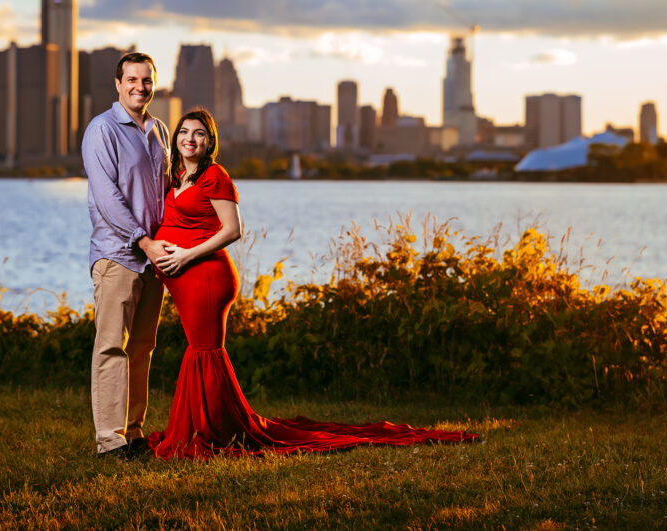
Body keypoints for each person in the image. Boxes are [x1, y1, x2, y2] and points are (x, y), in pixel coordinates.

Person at [147, 109, 480, 458]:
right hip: (184, 281)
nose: (190, 138)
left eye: (199, 133)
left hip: (206, 277)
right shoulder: (178, 176)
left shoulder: (214, 176)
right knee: (202, 351)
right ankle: (210, 426)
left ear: (210, 141)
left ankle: (207, 431)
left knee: (204, 351)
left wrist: (185, 256)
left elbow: (233, 230)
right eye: (184, 132)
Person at [81, 52, 172, 460]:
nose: (140, 87)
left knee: (142, 347)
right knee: (111, 348)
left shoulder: (160, 130)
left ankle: (133, 434)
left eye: (147, 80)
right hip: (118, 256)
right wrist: (143, 240)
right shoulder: (101, 130)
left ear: (155, 84)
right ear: (118, 84)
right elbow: (108, 199)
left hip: (154, 259)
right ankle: (110, 440)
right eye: (132, 80)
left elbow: (166, 193)